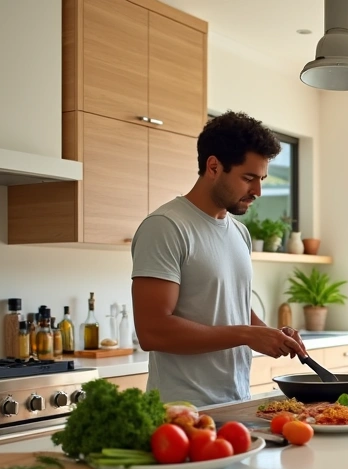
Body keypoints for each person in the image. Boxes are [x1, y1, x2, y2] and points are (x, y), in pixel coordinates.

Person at [131, 111, 306, 406]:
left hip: (235, 402)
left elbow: (231, 305)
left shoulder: (239, 232)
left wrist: (269, 333)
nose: (258, 191)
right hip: (182, 412)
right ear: (213, 166)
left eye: (261, 179)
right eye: (248, 178)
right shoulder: (166, 226)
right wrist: (247, 335)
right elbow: (152, 331)